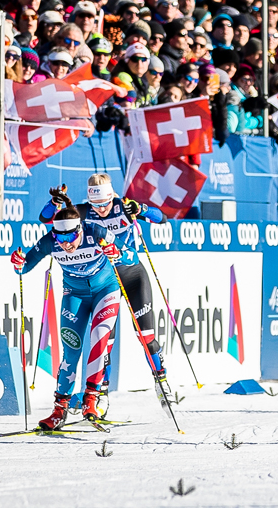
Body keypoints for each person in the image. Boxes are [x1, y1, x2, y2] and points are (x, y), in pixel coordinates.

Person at [39, 174, 173, 416]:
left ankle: (161, 382)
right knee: (104, 340)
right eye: (96, 205)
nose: (101, 210)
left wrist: (142, 209)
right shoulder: (82, 212)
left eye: (105, 204)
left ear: (112, 197)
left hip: (131, 275)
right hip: (105, 281)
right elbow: (47, 219)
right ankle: (101, 395)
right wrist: (54, 203)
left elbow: (161, 218)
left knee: (146, 335)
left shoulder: (124, 207)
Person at [9, 208, 122, 431]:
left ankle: (91, 400)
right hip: (75, 295)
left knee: (99, 339)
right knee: (71, 351)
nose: (66, 244)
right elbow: (24, 267)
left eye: (70, 237)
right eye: (61, 239)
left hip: (106, 290)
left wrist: (117, 254)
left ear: (80, 230)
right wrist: (18, 263)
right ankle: (59, 411)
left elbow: (131, 255)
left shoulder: (95, 231)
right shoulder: (50, 242)